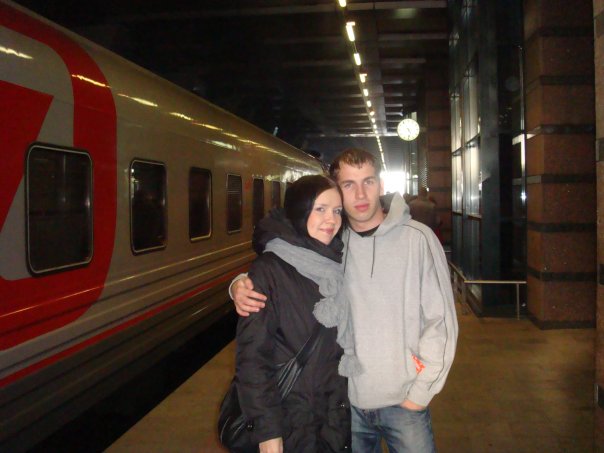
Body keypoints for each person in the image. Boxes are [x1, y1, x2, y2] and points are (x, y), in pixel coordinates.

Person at [231, 149, 458, 452]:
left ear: (381, 184)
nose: (360, 194)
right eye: (349, 185)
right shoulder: (334, 244)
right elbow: (287, 259)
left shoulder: (418, 239)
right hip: (345, 407)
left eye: (368, 182)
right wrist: (239, 284)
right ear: (338, 191)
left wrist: (420, 393)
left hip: (404, 404)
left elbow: (441, 322)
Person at [234, 175, 350, 453]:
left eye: (337, 211)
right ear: (300, 210)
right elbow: (253, 358)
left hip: (335, 416)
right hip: (292, 422)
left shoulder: (341, 260)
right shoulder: (270, 270)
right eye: (320, 209)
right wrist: (268, 433)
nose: (331, 219)